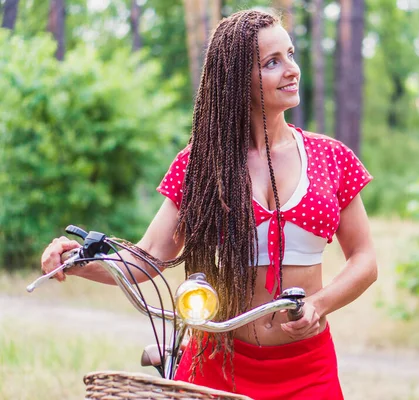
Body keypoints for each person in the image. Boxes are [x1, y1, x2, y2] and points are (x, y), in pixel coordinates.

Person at [40, 9, 377, 400]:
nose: (292, 69)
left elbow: (365, 259)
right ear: (236, 81)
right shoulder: (201, 165)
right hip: (217, 362)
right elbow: (148, 257)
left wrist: (318, 305)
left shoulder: (331, 157)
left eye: (291, 54)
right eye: (272, 63)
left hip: (308, 367)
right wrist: (77, 261)